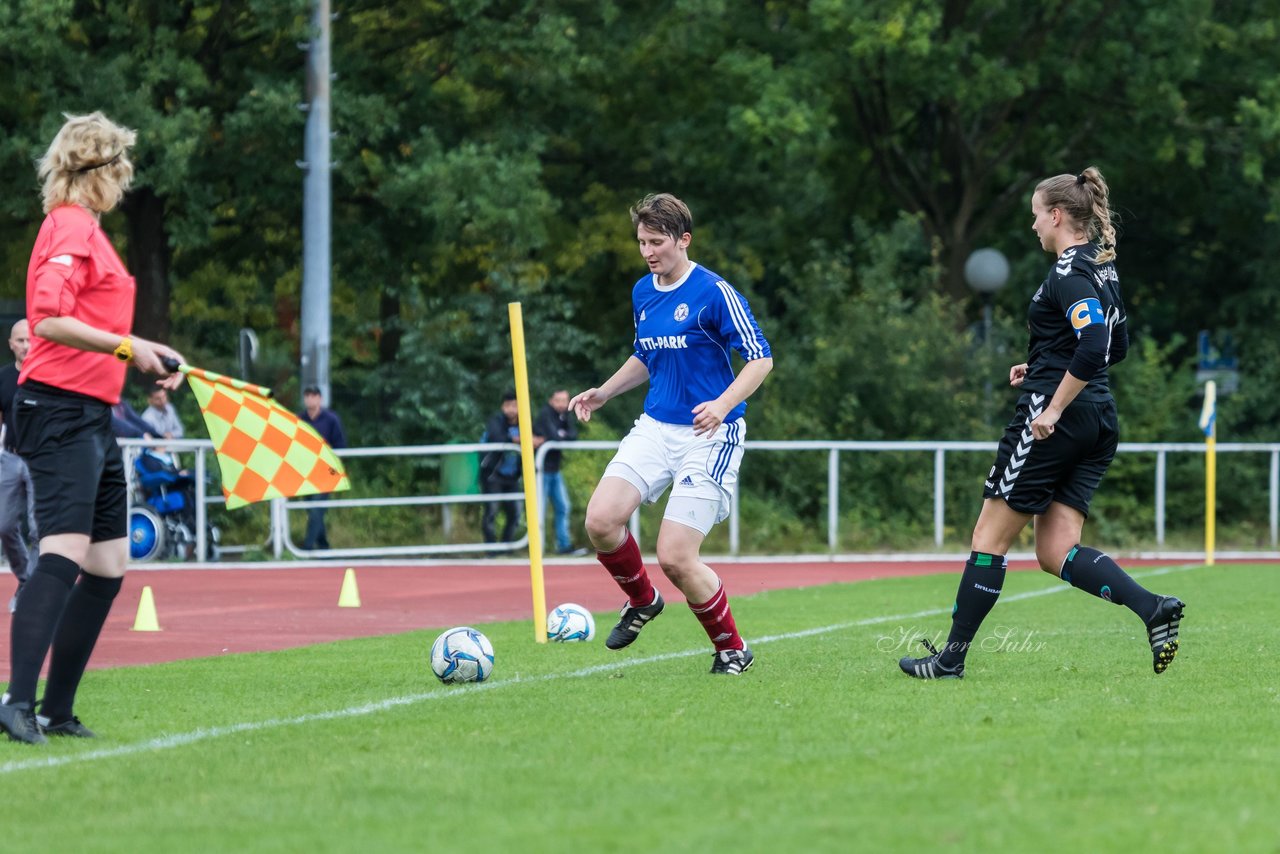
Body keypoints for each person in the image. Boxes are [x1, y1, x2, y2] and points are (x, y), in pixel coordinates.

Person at [898, 167, 1184, 681]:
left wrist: (1051, 404)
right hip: (1098, 417)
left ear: (1056, 216)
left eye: (1035, 216)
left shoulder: (1069, 271)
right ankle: (1153, 608)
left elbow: (1096, 344)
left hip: (1057, 418)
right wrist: (1047, 362)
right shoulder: (1104, 269)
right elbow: (1112, 346)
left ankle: (950, 660)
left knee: (988, 537)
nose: (1033, 227)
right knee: (1055, 552)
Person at [0, 111, 184, 744]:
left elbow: (93, 329)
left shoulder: (88, 231)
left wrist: (143, 349)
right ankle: (15, 702)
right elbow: (47, 318)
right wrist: (129, 349)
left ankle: (56, 709)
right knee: (65, 551)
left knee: (107, 564)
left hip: (89, 413)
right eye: (120, 169)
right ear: (98, 171)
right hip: (56, 409)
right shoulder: (71, 226)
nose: (125, 180)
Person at [570, 193, 773, 676]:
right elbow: (647, 355)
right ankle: (642, 601)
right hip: (656, 428)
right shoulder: (643, 291)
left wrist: (722, 405)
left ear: (684, 239)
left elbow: (760, 358)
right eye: (641, 241)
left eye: (656, 241)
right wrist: (605, 392)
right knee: (600, 521)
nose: (647, 251)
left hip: (710, 436)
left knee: (677, 556)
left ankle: (732, 650)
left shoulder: (714, 292)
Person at [0, 319, 39, 614]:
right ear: (11, 344)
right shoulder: (3, 377)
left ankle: (32, 591)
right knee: (4, 524)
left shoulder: (48, 377)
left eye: (30, 339)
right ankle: (26, 578)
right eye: (20, 340)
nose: (26, 345)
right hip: (10, 458)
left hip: (41, 458)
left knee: (38, 529)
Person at [533, 388, 587, 555]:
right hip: (540, 469)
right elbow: (555, 437)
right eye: (559, 400)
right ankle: (536, 546)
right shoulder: (545, 414)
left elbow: (572, 434)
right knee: (539, 508)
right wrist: (557, 436)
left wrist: (558, 435)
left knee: (563, 506)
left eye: (565, 400)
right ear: (551, 401)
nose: (563, 404)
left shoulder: (565, 414)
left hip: (554, 469)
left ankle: (563, 545)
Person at [298, 385, 347, 550]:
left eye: (313, 395)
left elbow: (340, 446)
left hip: (325, 472)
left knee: (316, 509)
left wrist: (335, 469)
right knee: (313, 510)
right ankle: (324, 546)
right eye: (307, 395)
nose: (310, 399)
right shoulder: (299, 420)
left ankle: (307, 547)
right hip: (305, 472)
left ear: (320, 398)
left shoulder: (331, 419)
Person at [479, 390, 522, 546]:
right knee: (491, 513)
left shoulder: (525, 421)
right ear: (503, 406)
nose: (511, 409)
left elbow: (537, 437)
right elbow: (497, 437)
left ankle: (506, 547)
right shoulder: (495, 421)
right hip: (493, 475)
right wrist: (519, 439)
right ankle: (491, 549)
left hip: (513, 476)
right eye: (508, 405)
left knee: (515, 514)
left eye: (515, 405)